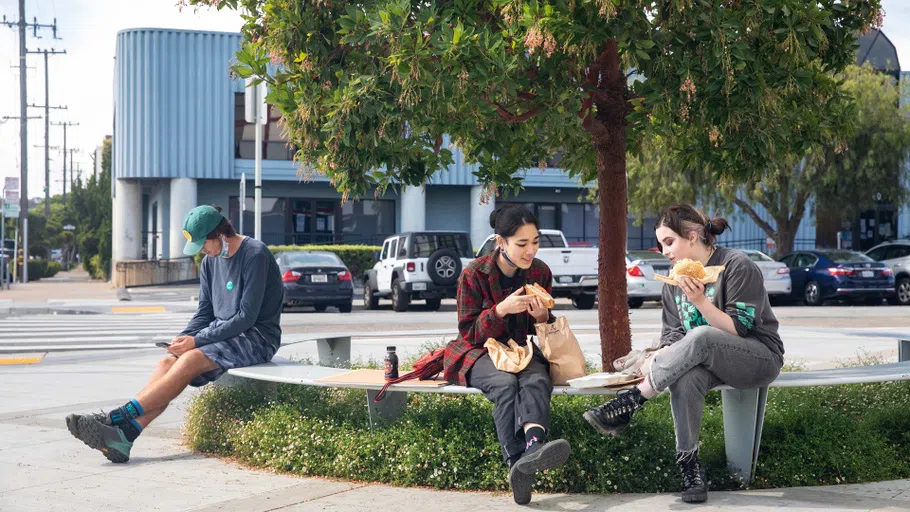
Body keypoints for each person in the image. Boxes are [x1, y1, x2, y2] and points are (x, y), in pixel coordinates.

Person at [583, 204, 784, 503]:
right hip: (709, 361)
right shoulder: (674, 281)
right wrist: (661, 353)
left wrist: (701, 301)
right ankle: (690, 466)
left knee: (701, 335)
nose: (664, 252)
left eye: (669, 242)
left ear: (692, 236)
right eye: (662, 244)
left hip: (758, 357)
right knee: (686, 375)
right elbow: (674, 335)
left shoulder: (737, 266)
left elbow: (738, 330)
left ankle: (632, 401)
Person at [65, 205, 283, 463]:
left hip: (258, 336)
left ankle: (115, 417)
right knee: (167, 362)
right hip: (224, 335)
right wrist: (183, 339)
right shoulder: (210, 263)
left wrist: (197, 341)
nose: (203, 251)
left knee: (190, 360)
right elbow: (205, 313)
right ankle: (124, 437)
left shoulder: (254, 254)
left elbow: (246, 317)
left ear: (222, 233)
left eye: (204, 244)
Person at [444, 204, 571, 505]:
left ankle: (533, 448)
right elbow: (468, 332)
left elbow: (541, 328)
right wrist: (500, 311)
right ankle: (517, 463)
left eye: (536, 242)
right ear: (501, 242)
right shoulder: (474, 274)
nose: (531, 251)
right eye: (522, 244)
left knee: (537, 378)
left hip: (519, 348)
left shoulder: (540, 272)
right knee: (504, 384)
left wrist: (542, 318)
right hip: (478, 351)